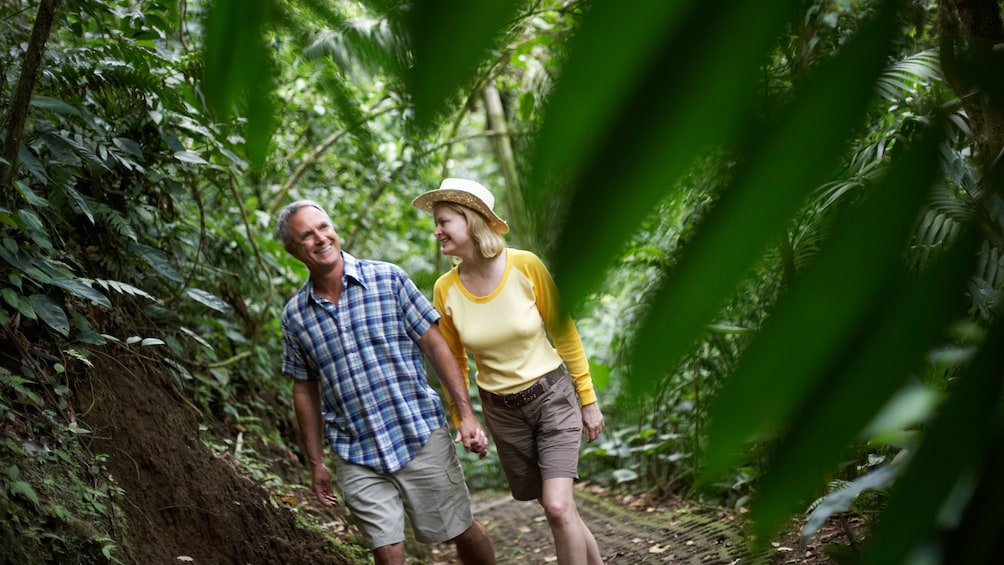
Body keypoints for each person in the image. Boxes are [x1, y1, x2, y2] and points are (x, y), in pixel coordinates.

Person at [276, 199, 496, 565]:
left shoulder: (387, 278)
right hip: (354, 450)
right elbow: (304, 389)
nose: (320, 238)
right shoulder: (295, 316)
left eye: (324, 227)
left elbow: (436, 345)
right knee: (387, 550)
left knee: (460, 529)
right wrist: (316, 461)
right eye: (307, 236)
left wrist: (466, 414)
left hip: (417, 433)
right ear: (293, 250)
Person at [413, 178, 605, 565]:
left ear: (471, 221)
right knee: (562, 510)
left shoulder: (525, 265)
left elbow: (563, 331)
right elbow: (453, 362)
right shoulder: (445, 289)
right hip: (503, 412)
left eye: (444, 221)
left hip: (552, 397)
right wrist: (463, 418)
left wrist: (588, 399)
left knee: (555, 506)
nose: (437, 230)